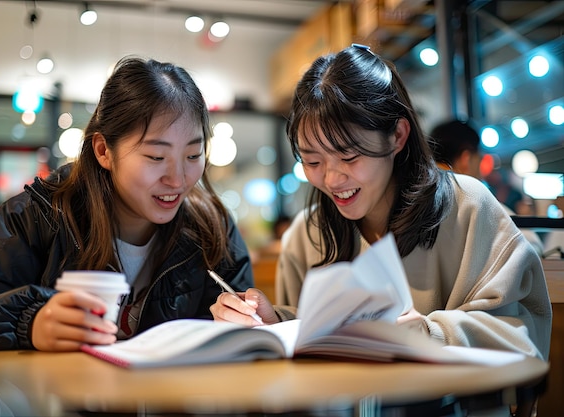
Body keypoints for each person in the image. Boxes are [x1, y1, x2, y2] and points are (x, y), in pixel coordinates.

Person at [210, 44, 551, 362]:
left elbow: (524, 332)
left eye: (349, 155)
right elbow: (309, 341)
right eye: (313, 162)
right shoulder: (307, 234)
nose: (331, 180)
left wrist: (430, 335)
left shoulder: (468, 207)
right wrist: (274, 322)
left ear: (398, 136)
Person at [0, 56, 253, 356]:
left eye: (193, 156)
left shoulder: (211, 228)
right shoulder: (38, 216)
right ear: (104, 151)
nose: (178, 179)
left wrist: (250, 323)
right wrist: (27, 323)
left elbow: (241, 328)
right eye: (157, 157)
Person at [429, 119, 544, 256]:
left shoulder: (415, 193)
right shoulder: (472, 195)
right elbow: (531, 247)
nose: (481, 174)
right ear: (466, 158)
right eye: (479, 160)